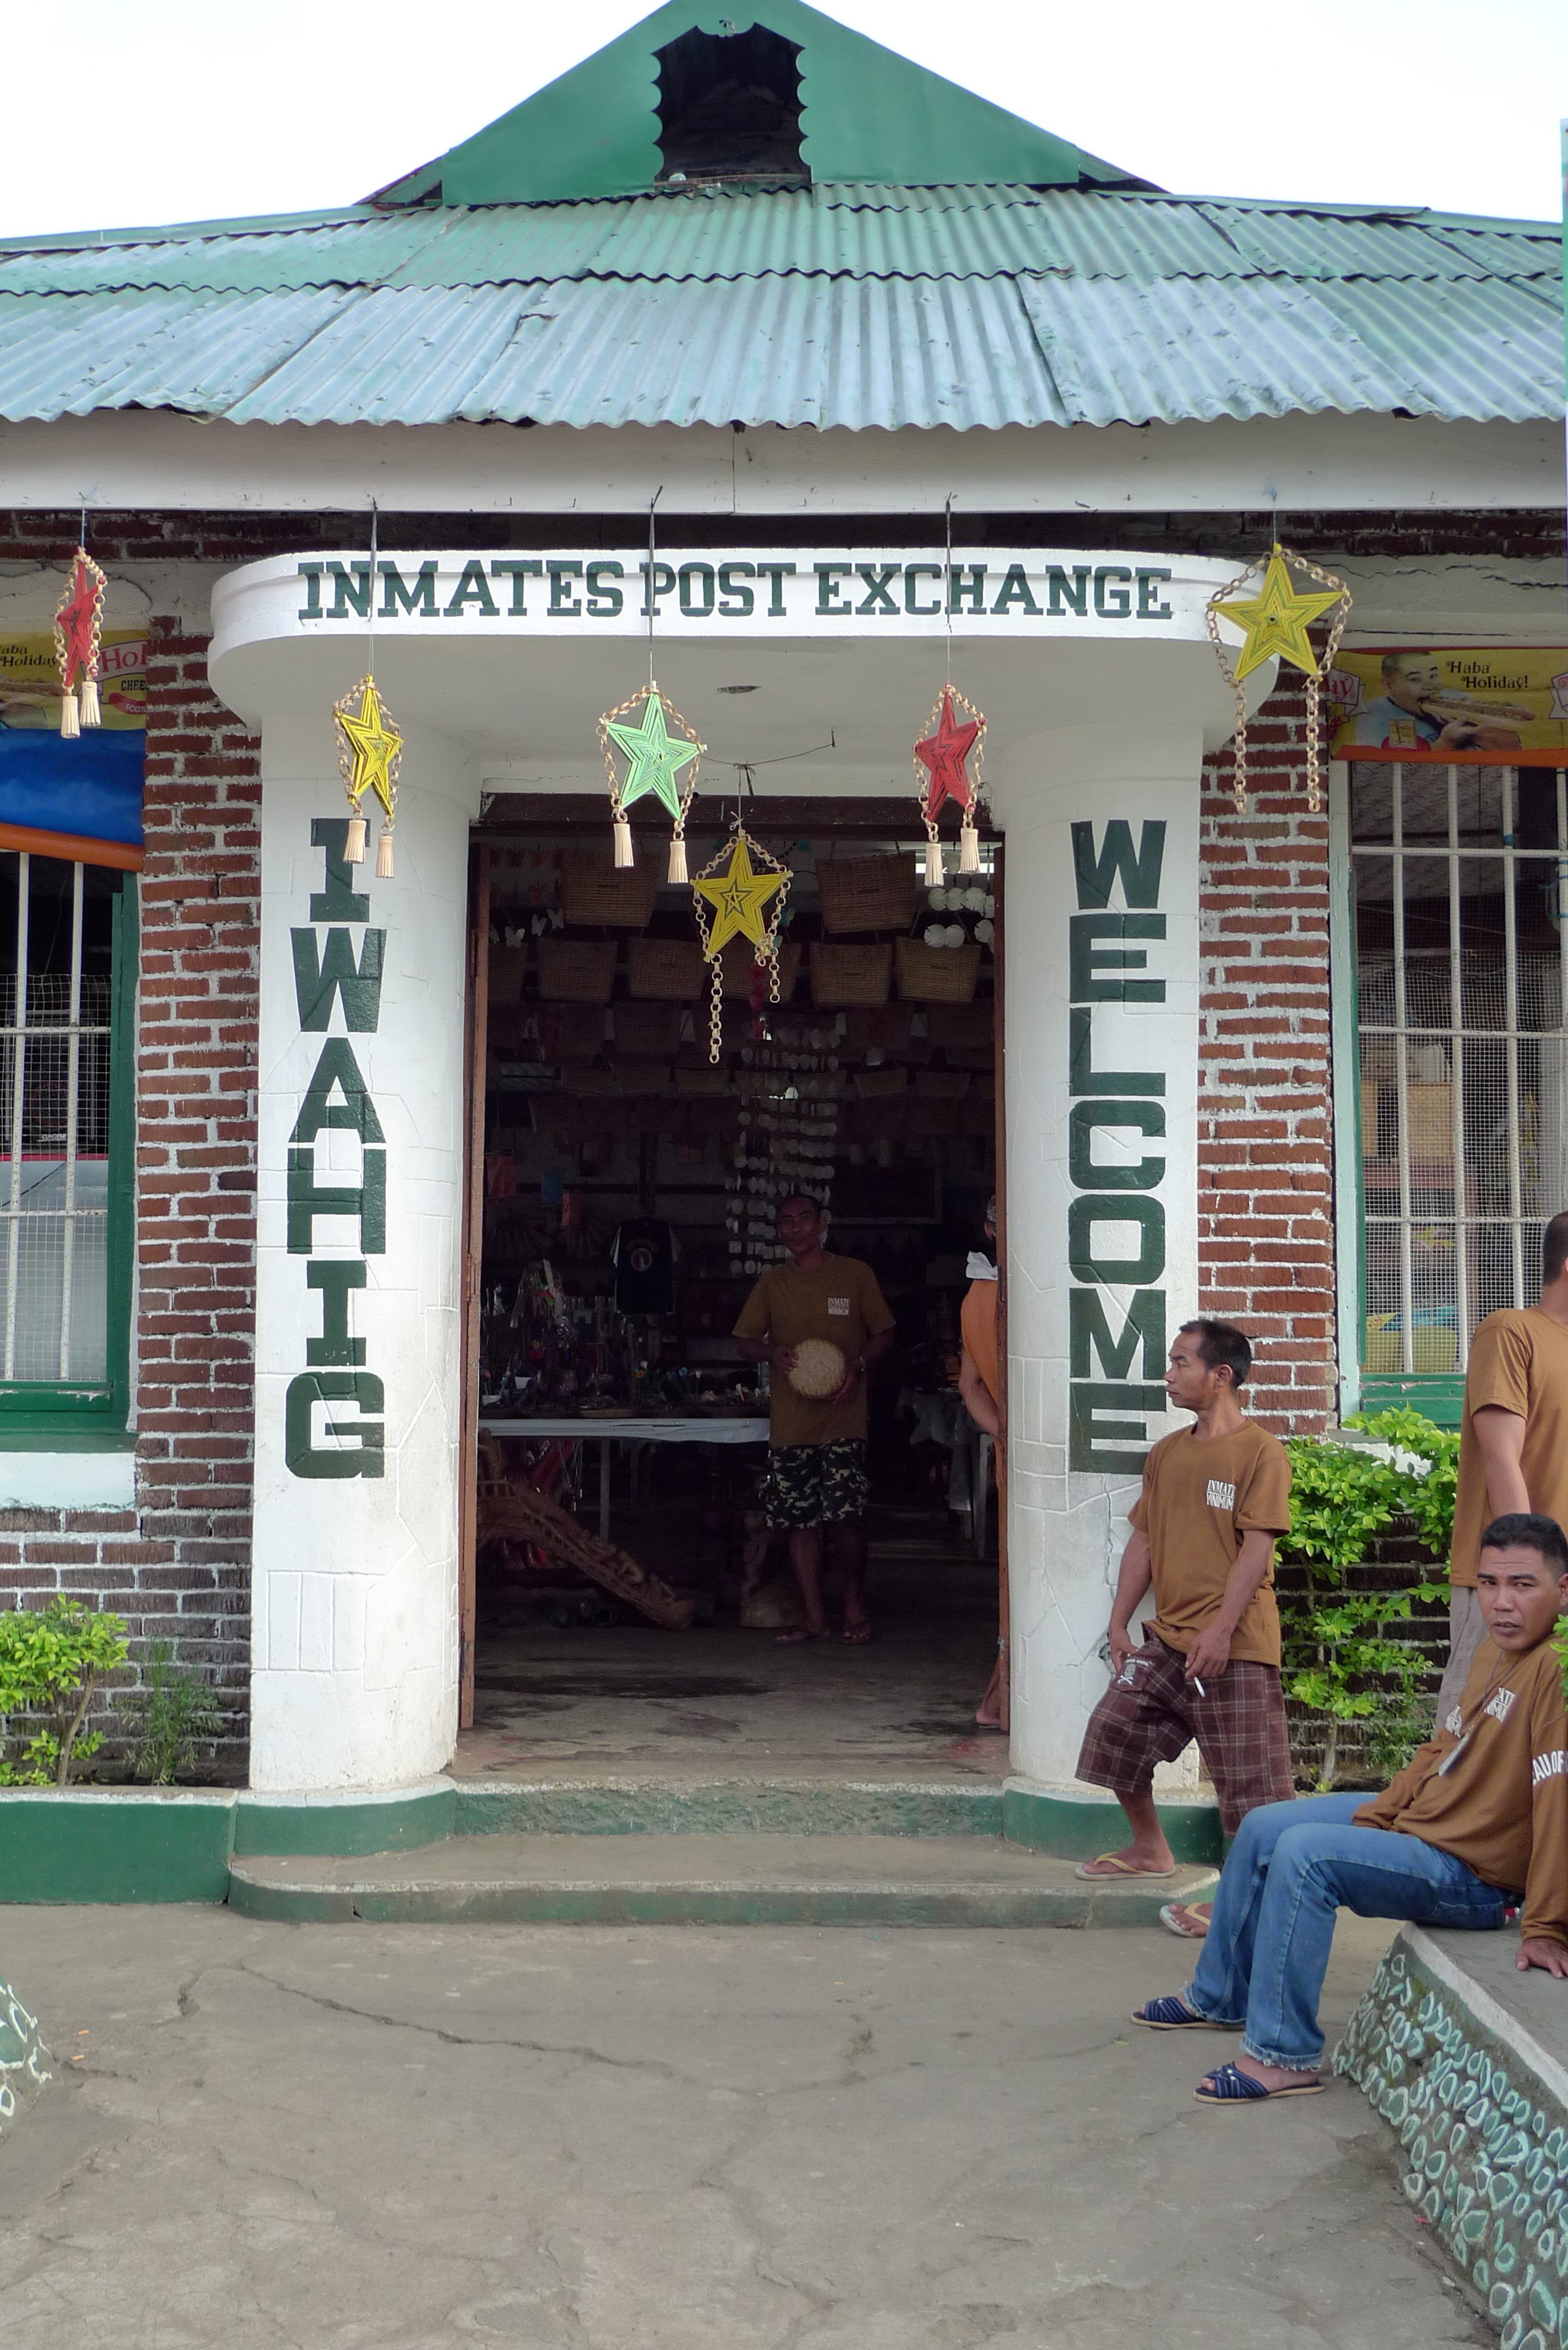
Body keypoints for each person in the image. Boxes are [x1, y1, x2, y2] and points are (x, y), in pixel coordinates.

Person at [1132, 1513, 1568, 2108]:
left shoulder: (1557, 1672)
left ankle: (1283, 2055)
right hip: (1427, 1825)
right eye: (1489, 1584)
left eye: (1523, 1585)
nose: (1501, 1602)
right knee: (1265, 1825)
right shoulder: (1496, 1649)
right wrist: (1383, 1812)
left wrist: (1545, 1927)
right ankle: (1219, 1995)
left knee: (1306, 1856)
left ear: (1562, 1591)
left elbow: (1558, 1801)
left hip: (1472, 1876)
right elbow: (1441, 1746)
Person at [1073, 1318, 1294, 1889]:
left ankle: (1251, 1903)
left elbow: (1257, 1550)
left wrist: (1221, 1631)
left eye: (1180, 1364)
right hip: (1168, 1641)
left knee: (1252, 1789)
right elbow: (1143, 1539)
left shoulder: (1261, 1453)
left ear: (1221, 1376)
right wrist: (1118, 1624)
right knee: (1112, 1734)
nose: (1168, 1376)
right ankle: (1150, 1850)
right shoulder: (1167, 1452)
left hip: (1235, 1645)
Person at [734, 1194, 895, 1644]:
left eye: (803, 1219)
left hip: (844, 1420)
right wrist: (771, 1353)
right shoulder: (772, 1283)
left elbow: (884, 1333)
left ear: (821, 1224)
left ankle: (854, 1603)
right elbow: (744, 1341)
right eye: (786, 1222)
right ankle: (813, 1615)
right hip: (792, 1422)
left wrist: (858, 1367)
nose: (795, 1228)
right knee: (798, 1522)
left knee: (847, 1518)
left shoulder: (855, 1274)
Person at [1442, 1211, 1568, 1719]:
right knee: (1473, 1733)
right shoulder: (1512, 1331)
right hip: (1512, 1582)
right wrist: (1528, 1574)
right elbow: (1501, 1457)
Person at [957, 1197, 1005, 1728]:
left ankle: (996, 1701)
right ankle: (997, 1702)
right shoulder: (1010, 1294)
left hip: (1010, 1454)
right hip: (1030, 1455)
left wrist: (1002, 1434)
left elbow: (969, 1385)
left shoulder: (975, 1293)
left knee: (1015, 1580)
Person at [1336, 650, 1520, 756]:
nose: (1431, 686)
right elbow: (1387, 768)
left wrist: (1474, 731)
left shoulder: (1456, 697)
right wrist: (1445, 742)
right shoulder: (1374, 714)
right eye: (1415, 679)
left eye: (1433, 675)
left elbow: (1513, 748)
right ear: (1387, 684)